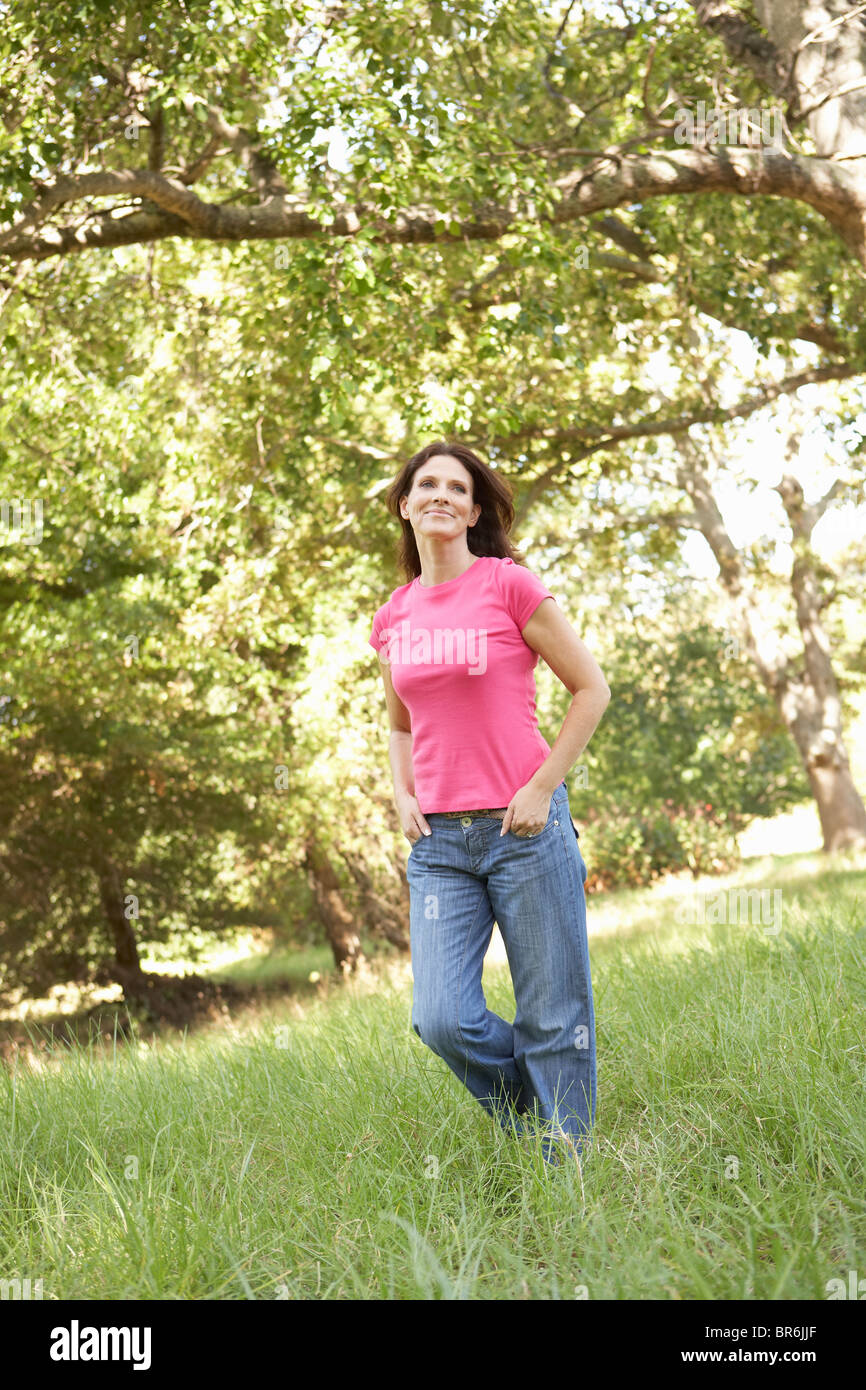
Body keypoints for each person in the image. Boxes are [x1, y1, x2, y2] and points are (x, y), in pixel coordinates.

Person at [368, 440, 611, 1167]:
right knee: (440, 1018)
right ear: (407, 505)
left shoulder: (509, 587)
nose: (441, 494)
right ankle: (544, 1118)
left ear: (474, 511)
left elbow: (590, 690)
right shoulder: (394, 615)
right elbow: (399, 722)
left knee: (551, 1010)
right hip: (439, 846)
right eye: (427, 484)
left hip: (524, 828)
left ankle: (563, 1163)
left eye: (457, 487)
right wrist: (400, 790)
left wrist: (542, 787)